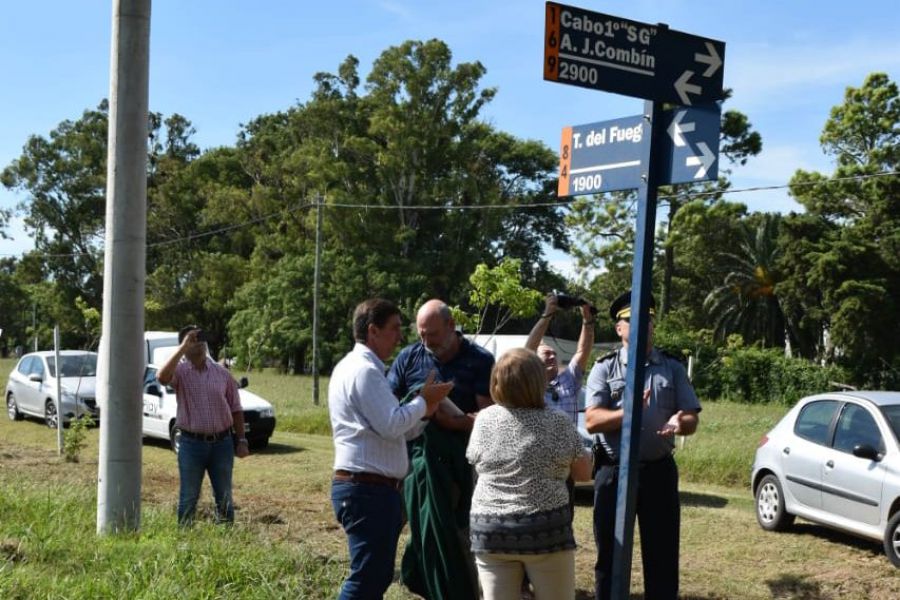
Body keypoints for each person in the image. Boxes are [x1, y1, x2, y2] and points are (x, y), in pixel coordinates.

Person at [329, 298, 453, 600]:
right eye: (395, 328)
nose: (400, 336)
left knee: (375, 575)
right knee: (368, 578)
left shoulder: (363, 368)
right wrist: (424, 401)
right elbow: (391, 423)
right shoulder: (364, 372)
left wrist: (427, 410)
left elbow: (398, 428)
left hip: (370, 489)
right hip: (367, 490)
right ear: (373, 331)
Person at [584, 290, 701, 600]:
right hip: (613, 473)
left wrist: (681, 423)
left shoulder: (672, 367)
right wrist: (628, 412)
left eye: (648, 320)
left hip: (658, 473)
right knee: (610, 555)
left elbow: (691, 417)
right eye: (634, 321)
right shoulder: (605, 368)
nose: (644, 326)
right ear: (619, 328)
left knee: (662, 557)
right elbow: (592, 421)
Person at [387, 299, 494, 600]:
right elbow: (389, 402)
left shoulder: (480, 360)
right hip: (413, 461)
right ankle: (424, 581)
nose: (425, 341)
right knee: (416, 526)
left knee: (454, 531)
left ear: (451, 326)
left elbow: (488, 417)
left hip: (461, 463)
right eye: (421, 334)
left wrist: (451, 422)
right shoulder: (410, 357)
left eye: (431, 334)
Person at [467, 348, 592, 600]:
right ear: (539, 382)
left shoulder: (484, 419)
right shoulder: (558, 421)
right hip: (544, 529)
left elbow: (475, 461)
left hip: (490, 530)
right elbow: (583, 473)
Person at [157, 325, 249, 526]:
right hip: (191, 444)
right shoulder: (180, 373)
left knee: (224, 496)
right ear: (183, 345)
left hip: (222, 443)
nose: (198, 344)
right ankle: (185, 539)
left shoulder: (222, 373)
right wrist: (183, 348)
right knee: (188, 496)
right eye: (192, 341)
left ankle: (225, 538)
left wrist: (241, 440)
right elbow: (162, 378)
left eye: (200, 340)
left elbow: (236, 408)